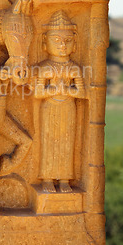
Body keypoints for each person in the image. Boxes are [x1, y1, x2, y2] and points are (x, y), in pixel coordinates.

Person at [34, 10, 85, 193]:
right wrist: (55, 90)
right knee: (49, 142)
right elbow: (38, 93)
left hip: (68, 108)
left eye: (67, 40)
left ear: (75, 44)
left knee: (66, 143)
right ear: (45, 43)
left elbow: (81, 92)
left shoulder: (74, 69)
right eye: (56, 40)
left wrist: (68, 90)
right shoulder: (45, 68)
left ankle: (64, 180)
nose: (62, 45)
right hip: (49, 108)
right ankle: (47, 179)